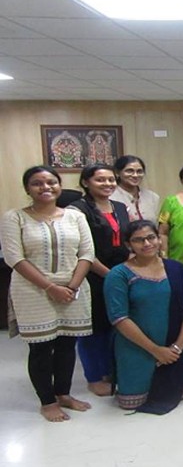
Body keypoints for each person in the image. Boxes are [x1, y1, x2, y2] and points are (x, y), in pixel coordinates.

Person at [0, 166, 94, 422]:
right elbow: (14, 258)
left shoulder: (75, 217)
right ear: (27, 188)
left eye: (51, 182)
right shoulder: (15, 217)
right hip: (33, 291)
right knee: (41, 347)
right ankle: (47, 401)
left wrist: (71, 287)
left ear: (60, 185)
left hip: (73, 289)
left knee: (67, 344)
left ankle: (63, 393)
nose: (46, 187)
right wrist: (50, 287)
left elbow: (86, 254)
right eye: (37, 183)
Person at [104, 220, 183, 413]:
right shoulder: (118, 275)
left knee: (182, 394)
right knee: (130, 402)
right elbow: (119, 318)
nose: (147, 244)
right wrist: (156, 350)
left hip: (175, 349)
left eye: (151, 237)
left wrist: (178, 347)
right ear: (128, 245)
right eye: (138, 240)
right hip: (136, 348)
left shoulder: (177, 269)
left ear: (159, 240)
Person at [68, 164, 130, 396]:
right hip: (91, 275)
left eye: (111, 180)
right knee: (94, 328)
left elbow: (126, 241)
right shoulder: (76, 209)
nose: (108, 184)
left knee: (117, 323)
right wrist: (109, 275)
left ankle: (112, 370)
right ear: (86, 182)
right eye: (100, 180)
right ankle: (94, 377)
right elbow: (81, 250)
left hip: (120, 274)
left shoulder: (120, 207)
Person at [110, 155, 161, 223]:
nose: (135, 175)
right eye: (129, 171)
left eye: (139, 171)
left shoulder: (152, 197)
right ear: (118, 172)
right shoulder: (110, 197)